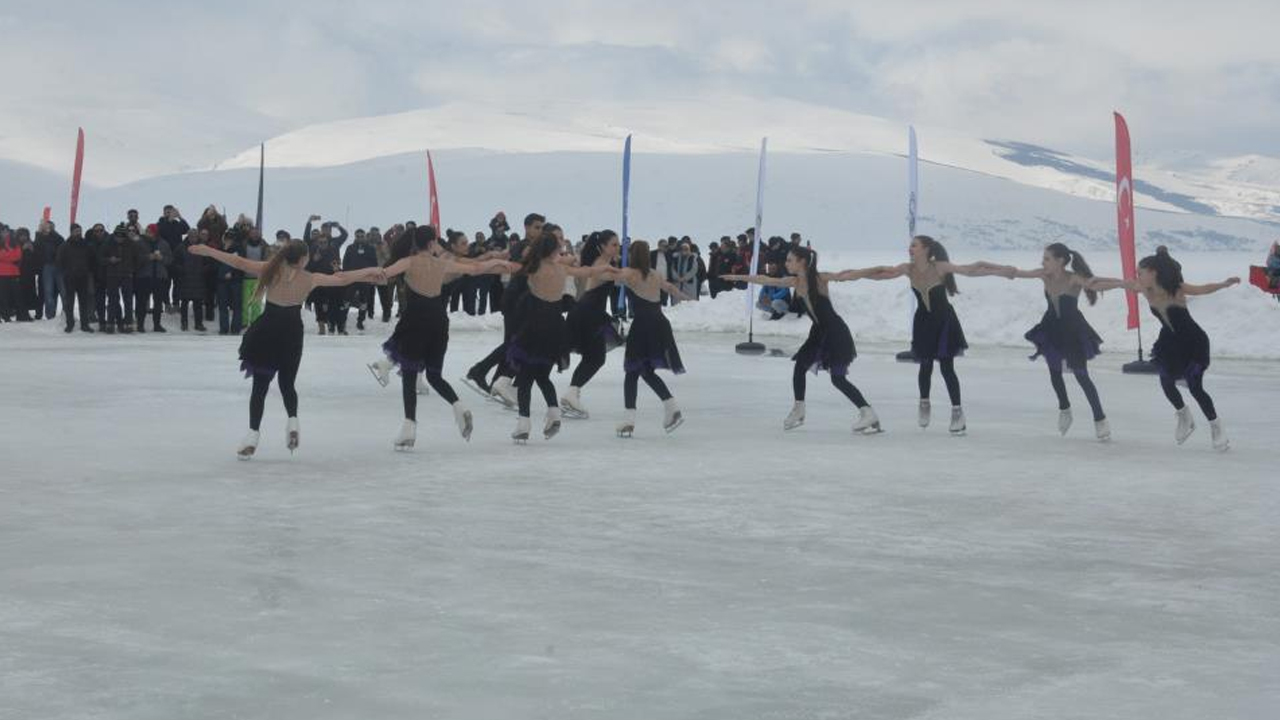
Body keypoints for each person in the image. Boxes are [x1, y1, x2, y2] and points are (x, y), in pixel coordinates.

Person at [186, 239, 383, 459]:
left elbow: (238, 262)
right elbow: (342, 278)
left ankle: (252, 436)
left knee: (259, 388)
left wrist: (207, 250)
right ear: (303, 259)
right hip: (291, 332)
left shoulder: (271, 270)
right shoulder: (310, 278)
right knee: (287, 384)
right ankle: (293, 422)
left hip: (267, 330)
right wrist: (370, 272)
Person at [372, 226, 508, 450]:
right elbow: (475, 268)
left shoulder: (409, 262)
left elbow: (382, 274)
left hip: (416, 320)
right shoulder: (442, 263)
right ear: (431, 243)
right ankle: (459, 407)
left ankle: (409, 427)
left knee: (409, 375)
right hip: (439, 321)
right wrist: (500, 263)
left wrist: (353, 276)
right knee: (435, 376)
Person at [1091, 247, 1239, 451]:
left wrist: (1224, 284)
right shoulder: (1143, 288)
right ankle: (1184, 416)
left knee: (1195, 387)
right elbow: (1118, 283)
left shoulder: (1175, 289)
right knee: (1166, 381)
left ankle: (1216, 426)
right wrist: (1094, 280)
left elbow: (1203, 289)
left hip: (1193, 342)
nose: (1137, 277)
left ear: (1153, 273)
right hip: (1171, 342)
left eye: (1140, 273)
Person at [725, 247, 883, 434]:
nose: (786, 263)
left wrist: (877, 269)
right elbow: (765, 279)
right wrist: (739, 277)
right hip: (818, 333)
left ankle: (867, 412)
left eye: (790, 260)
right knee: (800, 366)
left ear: (802, 262)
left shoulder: (819, 279)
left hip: (835, 332)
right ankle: (799, 409)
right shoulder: (794, 281)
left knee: (838, 379)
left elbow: (847, 275)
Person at [863, 235, 1008, 435]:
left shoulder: (940, 267)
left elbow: (970, 270)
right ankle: (924, 402)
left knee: (947, 367)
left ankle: (957, 412)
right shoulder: (908, 268)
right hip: (923, 322)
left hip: (944, 322)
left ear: (926, 249)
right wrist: (858, 274)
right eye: (910, 245)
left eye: (914, 246)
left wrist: (999, 269)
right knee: (925, 365)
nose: (910, 249)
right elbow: (882, 274)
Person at [495, 229, 616, 443]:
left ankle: (524, 423)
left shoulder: (532, 267)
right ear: (553, 250)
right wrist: (605, 268)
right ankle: (554, 413)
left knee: (526, 376)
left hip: (534, 325)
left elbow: (508, 267)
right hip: (556, 326)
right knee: (542, 375)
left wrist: (487, 264)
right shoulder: (562, 269)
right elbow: (587, 271)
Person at [992, 243, 1110, 440]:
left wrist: (1124, 284)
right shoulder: (1043, 275)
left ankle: (1100, 419)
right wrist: (1002, 270)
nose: (1043, 262)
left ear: (1060, 261)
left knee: (1081, 376)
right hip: (1051, 329)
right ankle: (1065, 408)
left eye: (1047, 259)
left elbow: (1094, 284)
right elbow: (1019, 273)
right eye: (1043, 259)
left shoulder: (1073, 278)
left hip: (1072, 331)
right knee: (1055, 373)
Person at [604, 240, 691, 438]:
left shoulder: (630, 273)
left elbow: (609, 275)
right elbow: (670, 288)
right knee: (645, 371)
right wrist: (687, 297)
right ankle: (671, 406)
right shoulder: (655, 274)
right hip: (660, 323)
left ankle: (629, 420)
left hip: (643, 325)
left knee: (632, 371)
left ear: (633, 255)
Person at [464, 213, 544, 406]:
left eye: (542, 227)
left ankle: (494, 381)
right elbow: (522, 263)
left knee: (513, 343)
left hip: (523, 298)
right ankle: (481, 371)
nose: (540, 231)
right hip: (516, 299)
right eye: (537, 227)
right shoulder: (523, 246)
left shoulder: (531, 246)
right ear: (526, 227)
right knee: (515, 343)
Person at [561, 230, 624, 419]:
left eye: (618, 244)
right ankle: (572, 394)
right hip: (588, 313)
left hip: (590, 311)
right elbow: (621, 277)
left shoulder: (606, 263)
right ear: (602, 247)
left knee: (593, 357)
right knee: (596, 358)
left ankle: (572, 393)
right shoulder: (602, 266)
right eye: (614, 244)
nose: (618, 247)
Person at [97, 225, 138, 334]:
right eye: (117, 236)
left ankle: (128, 323)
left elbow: (137, 258)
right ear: (114, 235)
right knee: (112, 300)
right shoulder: (108, 243)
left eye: (122, 236)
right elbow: (100, 258)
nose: (119, 238)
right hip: (112, 275)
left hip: (126, 275)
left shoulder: (131, 244)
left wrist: (131, 269)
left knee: (128, 300)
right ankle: (110, 323)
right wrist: (109, 260)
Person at [55, 224, 95, 333]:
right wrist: (65, 272)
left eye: (79, 231)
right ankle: (70, 324)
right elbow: (59, 261)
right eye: (76, 231)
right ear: (71, 232)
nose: (78, 233)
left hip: (83, 277)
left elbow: (92, 259)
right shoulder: (64, 245)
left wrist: (87, 270)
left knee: (84, 302)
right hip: (69, 278)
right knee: (69, 302)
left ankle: (85, 324)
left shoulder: (86, 244)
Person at [133, 224, 172, 332]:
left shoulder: (164, 243)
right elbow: (135, 258)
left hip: (159, 276)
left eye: (150, 231)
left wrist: (161, 258)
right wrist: (148, 257)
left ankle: (157, 325)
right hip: (144, 276)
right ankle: (140, 325)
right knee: (141, 302)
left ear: (155, 232)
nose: (148, 233)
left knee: (158, 302)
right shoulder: (140, 243)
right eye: (147, 231)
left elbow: (170, 259)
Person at [343, 228, 379, 330]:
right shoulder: (350, 248)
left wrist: (373, 276)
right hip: (352, 278)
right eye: (358, 236)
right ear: (355, 237)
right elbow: (345, 262)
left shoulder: (370, 249)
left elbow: (374, 263)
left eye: (361, 236)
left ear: (365, 237)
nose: (360, 238)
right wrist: (346, 275)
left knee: (364, 301)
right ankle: (343, 319)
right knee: (347, 300)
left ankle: (360, 321)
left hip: (365, 279)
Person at [175, 229, 209, 332]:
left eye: (195, 236)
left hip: (199, 279)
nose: (193, 238)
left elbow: (208, 262)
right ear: (188, 236)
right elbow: (175, 262)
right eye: (191, 236)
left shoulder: (203, 248)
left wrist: (203, 270)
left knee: (198, 304)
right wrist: (182, 270)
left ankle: (199, 324)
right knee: (184, 303)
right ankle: (184, 323)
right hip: (185, 279)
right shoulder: (181, 247)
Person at [34, 220, 65, 320]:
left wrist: (52, 233)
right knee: (48, 292)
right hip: (47, 266)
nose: (48, 228)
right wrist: (39, 233)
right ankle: (50, 316)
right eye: (46, 226)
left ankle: (66, 314)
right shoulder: (40, 237)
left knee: (63, 291)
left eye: (50, 226)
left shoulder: (58, 237)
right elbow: (37, 249)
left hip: (59, 266)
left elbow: (63, 247)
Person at [241, 227, 270, 327]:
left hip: (259, 279)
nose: (254, 235)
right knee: (245, 302)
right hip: (245, 277)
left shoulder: (264, 245)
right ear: (249, 234)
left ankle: (255, 322)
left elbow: (269, 258)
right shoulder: (244, 244)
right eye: (252, 233)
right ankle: (244, 322)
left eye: (256, 233)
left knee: (257, 303)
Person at [0, 227, 20, 322]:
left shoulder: (14, 243)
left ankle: (11, 314)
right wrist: (11, 255)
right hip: (1, 273)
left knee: (13, 295)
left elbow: (18, 256)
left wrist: (6, 256)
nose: (5, 233)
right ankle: (5, 316)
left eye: (6, 231)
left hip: (13, 272)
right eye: (3, 231)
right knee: (3, 296)